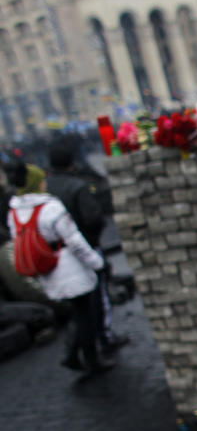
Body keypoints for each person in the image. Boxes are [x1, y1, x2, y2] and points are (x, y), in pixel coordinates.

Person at [5, 161, 113, 376]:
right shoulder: (50, 207)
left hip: (46, 268)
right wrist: (96, 263)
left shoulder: (14, 211)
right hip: (68, 266)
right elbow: (75, 241)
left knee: (78, 312)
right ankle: (87, 359)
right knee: (86, 315)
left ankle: (75, 355)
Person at [47, 138, 129, 355]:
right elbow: (93, 218)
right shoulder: (77, 186)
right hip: (85, 248)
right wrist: (93, 245)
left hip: (59, 254)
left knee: (79, 304)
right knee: (97, 297)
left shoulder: (46, 188)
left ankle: (80, 349)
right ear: (71, 163)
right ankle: (103, 339)